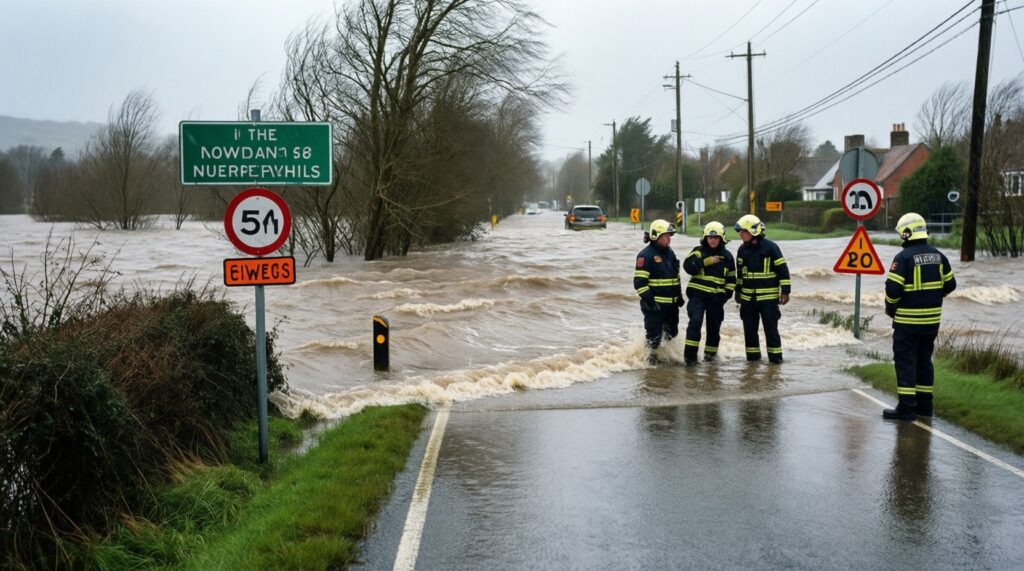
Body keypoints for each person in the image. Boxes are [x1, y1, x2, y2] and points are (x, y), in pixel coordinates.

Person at [882, 212, 956, 421]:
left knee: (906, 362)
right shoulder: (939, 256)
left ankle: (906, 408)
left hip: (907, 323)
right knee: (924, 361)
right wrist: (932, 297)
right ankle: (925, 407)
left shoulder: (903, 258)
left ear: (907, 234)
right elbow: (950, 285)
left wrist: (891, 308)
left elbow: (893, 290)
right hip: (931, 323)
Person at [734, 214, 790, 363]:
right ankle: (752, 364)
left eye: (743, 231)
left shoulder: (771, 248)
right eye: (740, 231)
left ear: (753, 231)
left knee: (771, 332)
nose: (740, 234)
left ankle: (776, 363)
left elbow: (782, 270)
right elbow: (740, 274)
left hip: (768, 300)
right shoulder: (741, 250)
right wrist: (738, 291)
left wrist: (785, 291)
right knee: (749, 333)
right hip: (747, 300)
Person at [681, 221, 736, 364]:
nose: (713, 240)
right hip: (697, 297)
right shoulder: (698, 251)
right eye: (710, 237)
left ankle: (710, 359)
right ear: (705, 238)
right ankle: (690, 359)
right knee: (695, 323)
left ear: (722, 239)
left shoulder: (728, 257)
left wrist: (726, 295)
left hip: (717, 299)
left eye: (716, 237)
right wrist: (705, 262)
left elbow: (731, 279)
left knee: (714, 329)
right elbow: (688, 267)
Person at [634, 219, 683, 352]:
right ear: (657, 236)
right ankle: (650, 365)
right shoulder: (645, 255)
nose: (669, 239)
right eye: (666, 236)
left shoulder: (670, 253)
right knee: (653, 339)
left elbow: (676, 276)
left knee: (672, 335)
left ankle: (666, 364)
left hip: (671, 306)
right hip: (655, 306)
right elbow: (639, 283)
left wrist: (679, 295)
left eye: (669, 236)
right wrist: (650, 303)